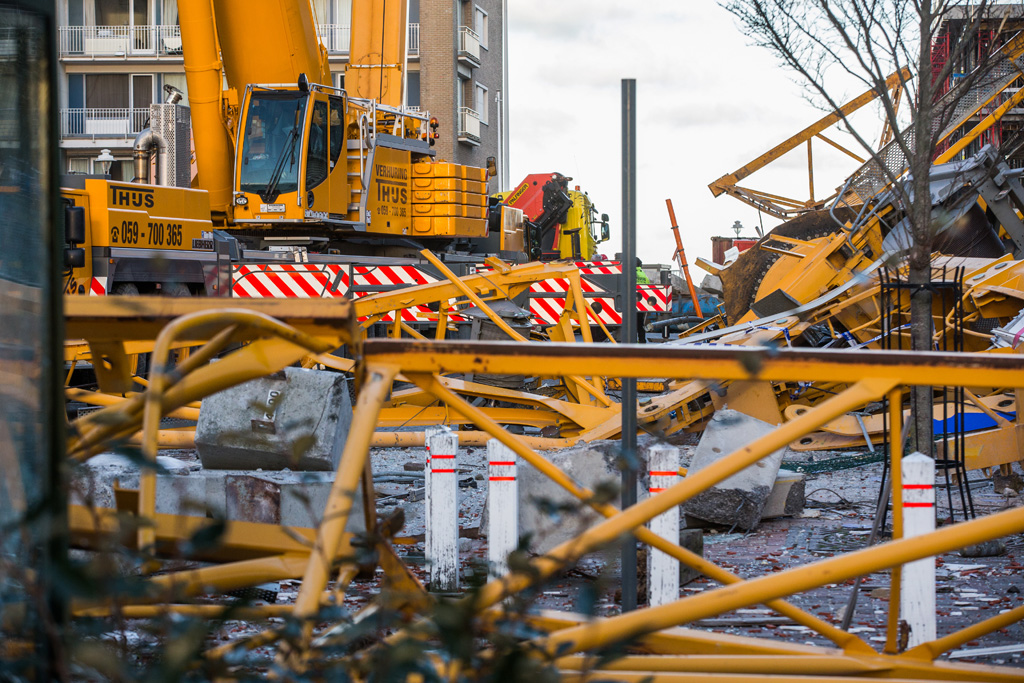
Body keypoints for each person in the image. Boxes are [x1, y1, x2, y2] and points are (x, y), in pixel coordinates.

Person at [635, 257, 649, 343]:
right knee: (640, 324)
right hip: (641, 303)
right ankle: (642, 340)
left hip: (630, 302)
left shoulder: (629, 273)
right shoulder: (644, 275)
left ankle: (631, 341)